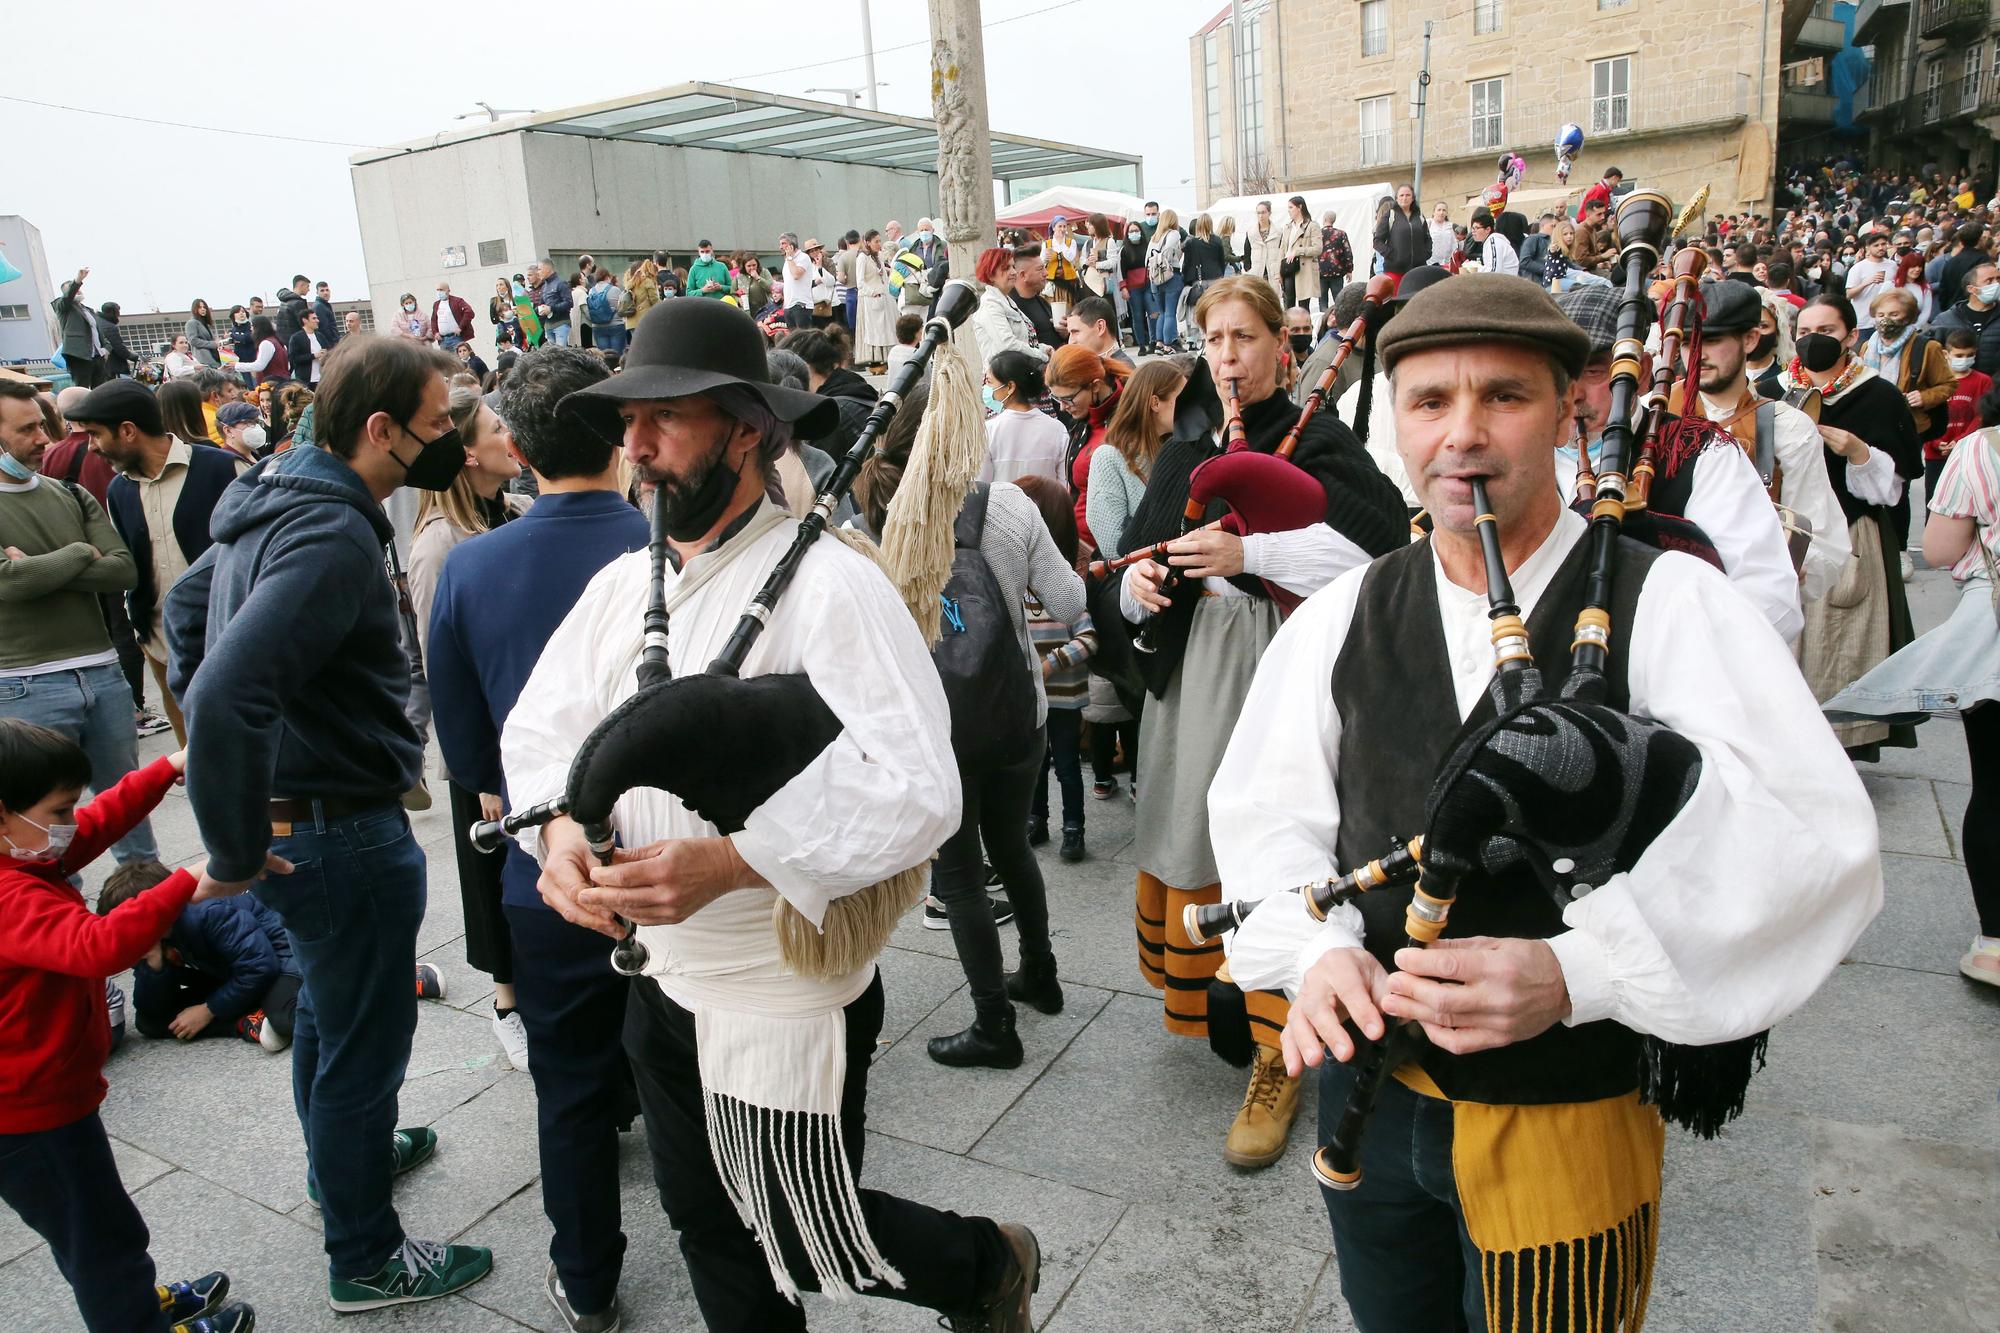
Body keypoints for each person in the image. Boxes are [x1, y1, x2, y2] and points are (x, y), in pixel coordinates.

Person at [1214, 273, 1880, 1333]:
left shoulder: (1668, 601)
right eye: (1429, 402)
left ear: (1571, 408)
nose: (1460, 436)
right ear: (1394, 421)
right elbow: (1264, 813)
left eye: (1502, 397)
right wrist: (1316, 950)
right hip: (1368, 1104)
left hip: (1566, 1106)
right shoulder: (1345, 613)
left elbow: (1813, 841)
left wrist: (1578, 973)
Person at [504, 297, 1041, 1330]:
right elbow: (540, 733)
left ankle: (984, 1263)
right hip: (659, 978)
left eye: (667, 417)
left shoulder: (834, 585)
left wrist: (733, 863)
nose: (638, 443)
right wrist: (558, 833)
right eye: (629, 420)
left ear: (746, 428)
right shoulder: (625, 583)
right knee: (705, 1222)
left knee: (798, 1226)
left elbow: (919, 783)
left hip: (780, 979)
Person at [165, 337, 494, 1311]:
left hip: (309, 819)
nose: (449, 442)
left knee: (322, 1007)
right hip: (335, 828)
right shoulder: (330, 531)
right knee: (363, 1040)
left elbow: (188, 615)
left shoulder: (282, 495)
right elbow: (226, 687)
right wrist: (230, 839)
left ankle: (340, 1161)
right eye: (437, 427)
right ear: (379, 428)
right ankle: (366, 1254)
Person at [1117, 274, 1407, 1167]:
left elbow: (1384, 551)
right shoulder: (1184, 445)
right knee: (1203, 842)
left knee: (1284, 844)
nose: (1230, 357)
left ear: (1283, 344)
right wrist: (1133, 587)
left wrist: (1253, 552)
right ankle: (1235, 1007)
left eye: (1245, 338)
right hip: (1195, 673)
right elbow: (1134, 553)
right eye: (1214, 342)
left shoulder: (1319, 437)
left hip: (1287, 664)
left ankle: (1281, 1057)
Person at [426, 345, 649, 1331]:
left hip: (543, 866)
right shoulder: (666, 544)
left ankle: (587, 1275)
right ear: (624, 428)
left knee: (565, 1087)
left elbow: (470, 757)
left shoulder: (470, 567)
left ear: (513, 447)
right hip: (680, 858)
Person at [0, 721, 262, 1333]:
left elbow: (96, 825)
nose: (71, 821)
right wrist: (187, 881)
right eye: (58, 810)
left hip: (48, 1096)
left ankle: (137, 1304)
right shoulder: (9, 895)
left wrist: (169, 766)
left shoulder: (23, 848)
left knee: (100, 1223)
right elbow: (98, 946)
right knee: (101, 1241)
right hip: (30, 1113)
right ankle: (133, 1318)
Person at [857, 382, 1086, 1067]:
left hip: (935, 735)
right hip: (1020, 717)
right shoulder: (1009, 504)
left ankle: (994, 1026)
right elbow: (1071, 601)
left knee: (958, 878)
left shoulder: (872, 519)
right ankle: (1039, 973)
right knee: (1013, 847)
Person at [1824, 419, 2000, 988]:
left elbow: (1945, 550)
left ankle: (1996, 940)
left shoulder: (1983, 448)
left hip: (1992, 640)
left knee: (1995, 789)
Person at [1550, 282, 1814, 642]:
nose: (1574, 393)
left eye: (1594, 371)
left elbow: (1771, 602)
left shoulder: (1704, 453)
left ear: (1642, 373)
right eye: (1562, 375)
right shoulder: (1523, 455)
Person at [406, 381, 528, 1064]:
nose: (509, 434)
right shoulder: (438, 544)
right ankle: (507, 1005)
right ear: (469, 456)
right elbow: (442, 666)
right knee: (492, 879)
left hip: (530, 732)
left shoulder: (513, 512)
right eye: (496, 428)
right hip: (484, 749)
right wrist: (480, 766)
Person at [0, 378, 156, 866]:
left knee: (129, 812)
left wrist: (39, 566)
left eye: (44, 425)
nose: (44, 438)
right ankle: (55, 930)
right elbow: (9, 582)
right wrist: (77, 552)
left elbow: (122, 568)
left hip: (104, 675)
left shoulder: (69, 493)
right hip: (25, 684)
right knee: (38, 835)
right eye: (27, 430)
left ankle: (151, 915)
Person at [1783, 294, 1924, 759]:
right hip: (1785, 531)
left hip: (1850, 532)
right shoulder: (1775, 389)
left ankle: (1833, 750)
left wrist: (1858, 452)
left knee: (1837, 644)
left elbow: (1893, 491)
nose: (1812, 341)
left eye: (1825, 332)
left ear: (1851, 337)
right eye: (1804, 332)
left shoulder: (1877, 394)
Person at [67, 380, 244, 748]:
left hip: (230, 633)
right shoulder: (120, 489)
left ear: (128, 431)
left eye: (96, 434)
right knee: (193, 750)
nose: (92, 446)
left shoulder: (224, 468)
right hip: (160, 639)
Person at [1660, 281, 1850, 621]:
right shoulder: (1651, 414)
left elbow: (1826, 543)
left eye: (1712, 340)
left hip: (1748, 617)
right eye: (1688, 343)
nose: (1698, 354)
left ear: (1749, 339)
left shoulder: (1787, 428)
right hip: (1660, 609)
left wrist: (1794, 569)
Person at [99, 856, 302, 1052]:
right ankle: (248, 1020)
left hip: (281, 961)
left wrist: (209, 1010)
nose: (120, 938)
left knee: (285, 1019)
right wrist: (155, 964)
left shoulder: (206, 913)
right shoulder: (150, 940)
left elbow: (261, 967)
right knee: (149, 1022)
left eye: (122, 928)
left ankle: (276, 1009)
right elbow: (152, 1009)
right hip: (230, 973)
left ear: (151, 916)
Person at [1016, 472, 1095, 863]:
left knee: (1066, 766)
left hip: (1062, 697)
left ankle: (1073, 828)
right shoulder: (1015, 581)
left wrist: (1049, 664)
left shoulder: (1065, 584)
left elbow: (1088, 638)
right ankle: (1037, 820)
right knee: (1035, 764)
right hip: (1032, 697)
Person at [1087, 358, 1183, 564]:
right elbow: (1112, 544)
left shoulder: (1178, 450)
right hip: (1136, 581)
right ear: (1155, 403)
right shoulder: (1109, 458)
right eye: (1182, 398)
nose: (1190, 405)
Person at [1046, 345, 1132, 555]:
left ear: (1095, 386)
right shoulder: (1086, 417)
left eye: (1068, 399)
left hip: (1110, 553)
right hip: (1079, 544)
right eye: (1057, 399)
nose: (1063, 407)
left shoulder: (1128, 420)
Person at [981, 350, 1068, 488]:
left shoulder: (988, 431)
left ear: (1010, 387)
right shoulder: (1057, 429)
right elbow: (1064, 486)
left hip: (1000, 509)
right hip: (1046, 509)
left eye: (989, 382)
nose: (986, 388)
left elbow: (981, 487)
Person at [1930, 327, 1992, 498]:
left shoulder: (1983, 381)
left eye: (1969, 355)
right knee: (1935, 498)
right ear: (1946, 354)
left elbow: (1982, 416)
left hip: (1968, 451)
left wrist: (1959, 441)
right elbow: (1925, 415)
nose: (1964, 360)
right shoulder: (1934, 379)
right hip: (1936, 453)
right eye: (1959, 355)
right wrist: (1936, 442)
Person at [972, 246, 1049, 375]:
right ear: (991, 275)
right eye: (1006, 268)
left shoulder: (1006, 300)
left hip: (1017, 377)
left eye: (1013, 267)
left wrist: (1044, 348)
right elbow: (1007, 344)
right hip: (1002, 382)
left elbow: (1022, 341)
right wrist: (1042, 356)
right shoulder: (990, 304)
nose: (1013, 272)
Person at [1925, 261, 2000, 376]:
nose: (1996, 284)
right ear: (1971, 289)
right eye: (1989, 281)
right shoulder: (1946, 320)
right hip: (1959, 388)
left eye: (1998, 279)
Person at [52, 268, 106, 389]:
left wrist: (106, 349)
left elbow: (98, 333)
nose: (78, 291)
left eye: (78, 289)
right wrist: (78, 280)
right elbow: (67, 298)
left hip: (97, 356)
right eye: (74, 289)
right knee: (82, 389)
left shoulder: (88, 310)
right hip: (79, 355)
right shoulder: (62, 307)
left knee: (101, 389)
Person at [853, 230, 898, 371]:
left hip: (884, 297)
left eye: (880, 241)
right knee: (874, 332)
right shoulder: (862, 258)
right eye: (876, 241)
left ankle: (887, 359)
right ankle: (875, 360)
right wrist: (873, 293)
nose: (879, 244)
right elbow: (860, 282)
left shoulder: (878, 256)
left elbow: (884, 277)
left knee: (887, 330)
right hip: (870, 299)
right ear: (867, 242)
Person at [1373, 185, 1432, 288]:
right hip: (1395, 271)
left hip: (1418, 270)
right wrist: (1391, 255)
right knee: (1397, 301)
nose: (1404, 198)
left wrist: (1426, 253)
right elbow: (1377, 241)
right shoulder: (1390, 215)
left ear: (1412, 198)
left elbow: (1427, 238)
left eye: (1408, 195)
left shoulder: (1419, 216)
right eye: (1401, 195)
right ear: (1397, 198)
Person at [1010, 242, 1064, 351]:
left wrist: (1065, 332)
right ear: (1023, 275)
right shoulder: (1010, 307)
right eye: (1040, 269)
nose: (1046, 273)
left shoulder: (1041, 302)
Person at [1846, 230, 1897, 337]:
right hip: (1864, 322)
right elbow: (1849, 294)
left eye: (1883, 244)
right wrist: (1865, 283)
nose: (1880, 248)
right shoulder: (1858, 268)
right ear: (1868, 248)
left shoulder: (1892, 265)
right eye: (1876, 245)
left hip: (1887, 320)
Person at [1064, 296, 1134, 367]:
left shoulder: (1122, 372)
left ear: (1100, 327)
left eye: (1076, 332)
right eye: (1069, 334)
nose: (1070, 342)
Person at [1280, 196, 1320, 316]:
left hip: (1304, 269)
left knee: (1303, 306)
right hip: (1288, 268)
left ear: (1300, 207)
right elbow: (1282, 250)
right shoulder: (1287, 227)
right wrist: (1279, 273)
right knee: (1288, 305)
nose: (1289, 210)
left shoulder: (1312, 226)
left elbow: (1318, 248)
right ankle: (1289, 332)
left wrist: (1298, 251)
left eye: (1291, 207)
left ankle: (1305, 331)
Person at [1120, 219, 1152, 351]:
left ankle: (1154, 341)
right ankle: (1141, 345)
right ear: (1127, 234)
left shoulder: (1148, 246)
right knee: (1137, 316)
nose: (1134, 233)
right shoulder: (1124, 250)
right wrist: (1123, 288)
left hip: (1148, 285)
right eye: (1131, 231)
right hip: (1133, 289)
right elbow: (1121, 271)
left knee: (1153, 313)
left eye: (1136, 231)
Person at [1244, 199, 1285, 299]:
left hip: (1273, 272)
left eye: (1263, 212)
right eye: (1258, 213)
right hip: (1257, 272)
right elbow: (1247, 252)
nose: (1261, 216)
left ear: (1269, 213)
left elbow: (1283, 251)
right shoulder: (1251, 233)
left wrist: (1280, 271)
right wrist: (1249, 269)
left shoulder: (1278, 232)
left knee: (1273, 300)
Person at [584, 269, 627, 357]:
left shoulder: (591, 291)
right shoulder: (615, 290)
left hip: (598, 327)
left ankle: (607, 369)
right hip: (616, 325)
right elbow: (621, 308)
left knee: (604, 355)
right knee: (617, 355)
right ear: (607, 277)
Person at [1318, 209, 1355, 312]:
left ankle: (1324, 322)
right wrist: (1349, 270)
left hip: (1320, 273)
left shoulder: (1318, 234)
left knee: (1322, 302)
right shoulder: (1341, 234)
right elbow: (1348, 252)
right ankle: (1339, 321)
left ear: (1324, 219)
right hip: (1337, 272)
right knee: (1339, 300)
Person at [534, 261, 575, 347]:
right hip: (548, 325)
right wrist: (539, 310)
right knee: (551, 356)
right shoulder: (544, 286)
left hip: (561, 324)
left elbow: (569, 303)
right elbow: (541, 304)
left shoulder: (561, 283)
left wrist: (551, 308)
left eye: (539, 269)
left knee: (560, 354)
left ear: (548, 269)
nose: (537, 272)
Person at [1467, 212, 1518, 276]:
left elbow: (1494, 271)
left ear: (1488, 229)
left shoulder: (1494, 242)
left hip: (1507, 282)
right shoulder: (1489, 242)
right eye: (1472, 228)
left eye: (1477, 228)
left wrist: (1475, 268)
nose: (1473, 231)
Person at [431, 283, 477, 353]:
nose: (439, 292)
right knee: (446, 363)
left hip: (456, 338)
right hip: (443, 340)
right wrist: (435, 332)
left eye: (441, 290)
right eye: (437, 290)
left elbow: (469, 312)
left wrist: (460, 327)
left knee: (459, 361)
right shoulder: (436, 304)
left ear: (448, 291)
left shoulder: (457, 301)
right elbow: (433, 320)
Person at [180, 300, 221, 368]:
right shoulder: (191, 323)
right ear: (195, 309)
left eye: (204, 307)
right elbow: (193, 341)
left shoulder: (205, 324)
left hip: (214, 358)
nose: (203, 309)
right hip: (203, 359)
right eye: (200, 307)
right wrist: (213, 344)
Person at [273, 277, 311, 344]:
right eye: (307, 286)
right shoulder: (298, 303)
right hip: (297, 342)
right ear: (301, 285)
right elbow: (305, 325)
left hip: (284, 342)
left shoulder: (283, 302)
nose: (309, 290)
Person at [886, 311, 923, 380]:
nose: (923, 331)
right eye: (921, 328)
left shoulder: (894, 351)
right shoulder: (917, 355)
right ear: (915, 333)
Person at [313, 283, 341, 348]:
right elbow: (324, 328)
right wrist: (334, 343)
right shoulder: (319, 306)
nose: (325, 293)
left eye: (327, 290)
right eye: (322, 290)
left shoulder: (325, 305)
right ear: (317, 292)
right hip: (330, 345)